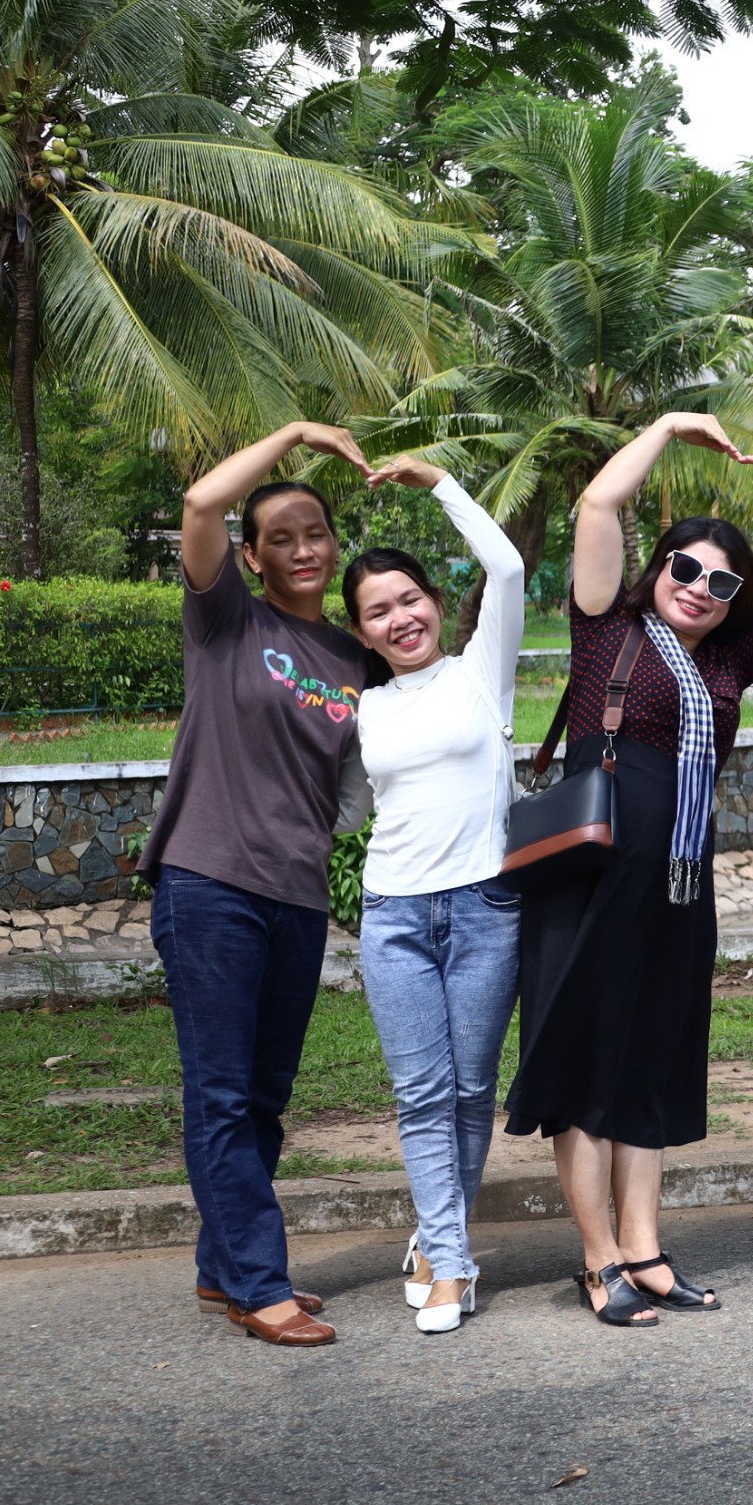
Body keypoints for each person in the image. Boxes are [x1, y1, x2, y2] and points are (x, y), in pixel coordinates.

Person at [507, 413, 753, 1326]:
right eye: (684, 566)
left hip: (678, 886)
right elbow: (600, 500)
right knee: (583, 1062)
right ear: (658, 570)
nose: (699, 586)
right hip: (592, 878)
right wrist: (673, 426)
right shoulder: (609, 627)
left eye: (721, 580)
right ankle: (598, 1256)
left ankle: (645, 1247)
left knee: (647, 1061)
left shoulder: (730, 655)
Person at [147, 420, 376, 1347]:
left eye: (314, 532)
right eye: (278, 537)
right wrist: (297, 435)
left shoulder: (355, 662)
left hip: (298, 892)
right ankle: (256, 1280)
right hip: (208, 882)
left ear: (334, 543)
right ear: (251, 555)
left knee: (266, 1095)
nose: (302, 549)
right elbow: (202, 502)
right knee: (222, 1094)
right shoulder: (226, 620)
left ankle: (220, 1268)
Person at [342, 457, 528, 1335]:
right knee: (423, 1096)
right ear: (364, 632)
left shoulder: (479, 672)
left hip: (486, 908)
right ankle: (453, 1265)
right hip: (393, 917)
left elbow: (510, 567)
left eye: (408, 599)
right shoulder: (361, 709)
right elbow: (342, 804)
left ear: (432, 602)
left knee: (468, 1092)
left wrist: (443, 484)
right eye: (378, 612)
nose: (399, 617)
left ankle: (433, 1240)